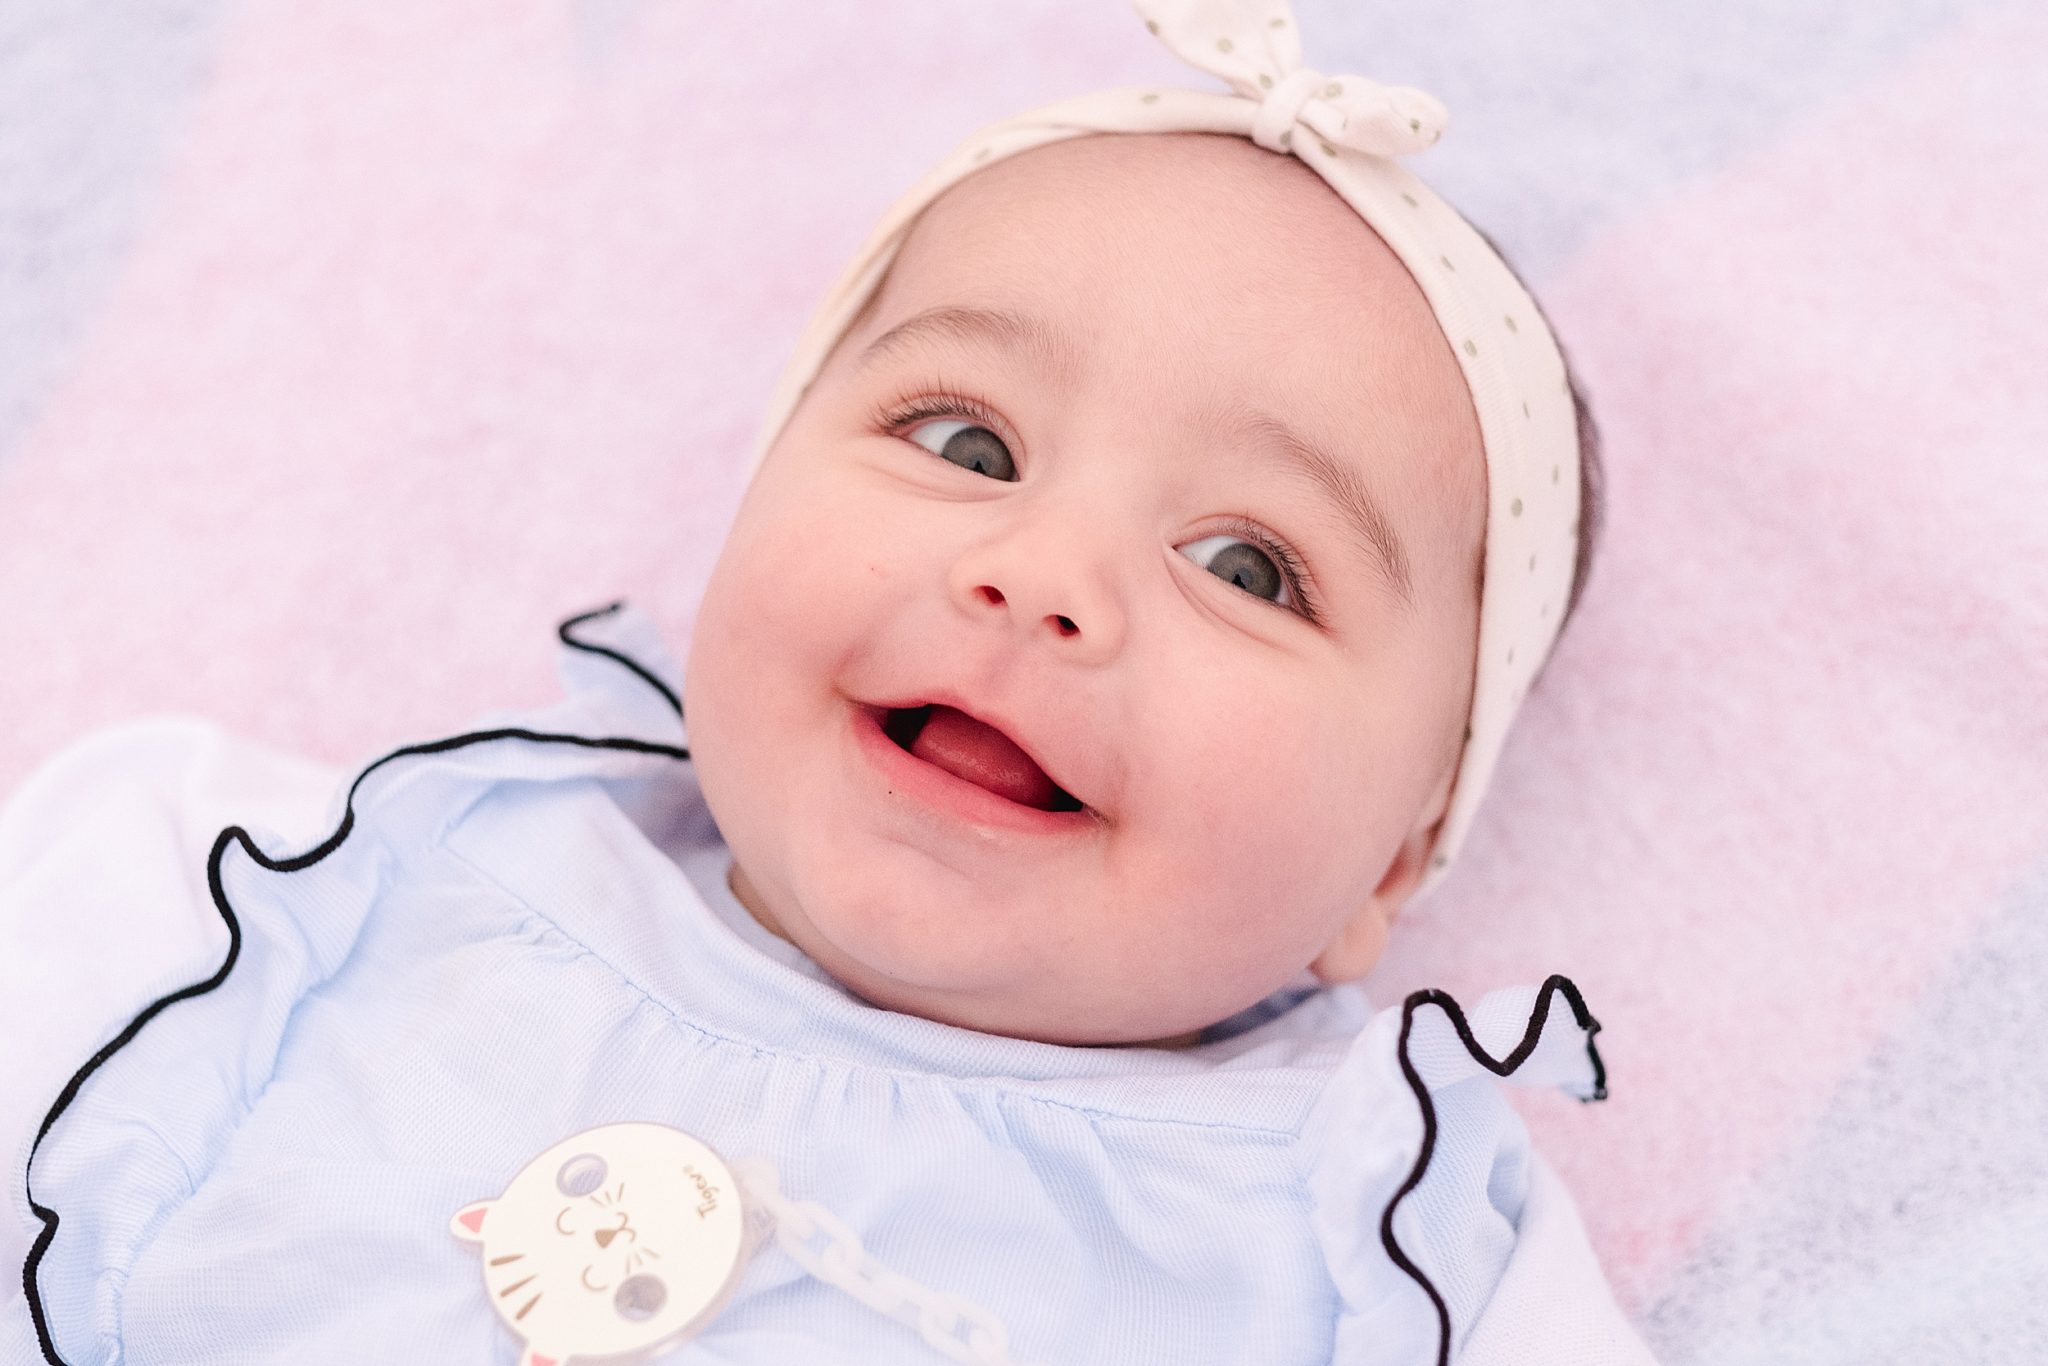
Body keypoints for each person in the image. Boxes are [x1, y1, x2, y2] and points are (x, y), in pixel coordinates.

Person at [3, 1, 1652, 1362]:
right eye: (966, 441)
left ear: (1390, 860)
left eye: (1247, 568)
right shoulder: (265, 895)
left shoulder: (1378, 1244)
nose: (1044, 576)